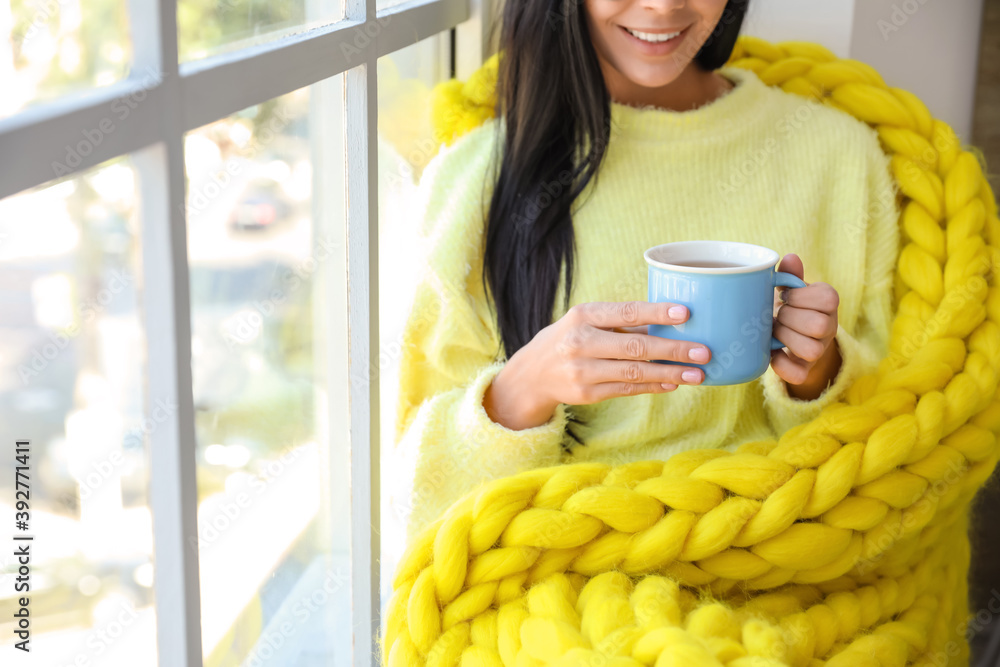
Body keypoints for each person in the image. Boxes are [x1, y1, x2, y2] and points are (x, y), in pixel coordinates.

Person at [389, 0, 900, 545]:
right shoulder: (472, 183)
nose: (662, 5)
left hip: (779, 551)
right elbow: (419, 505)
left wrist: (817, 372)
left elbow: (887, 443)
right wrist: (521, 389)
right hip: (552, 569)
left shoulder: (840, 157)